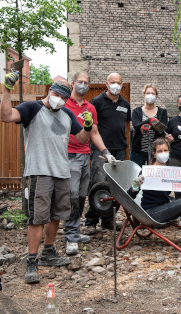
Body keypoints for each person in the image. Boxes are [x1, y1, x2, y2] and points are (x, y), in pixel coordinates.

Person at [0, 74, 92, 284]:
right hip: (39, 172)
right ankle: (32, 261)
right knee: (37, 218)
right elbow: (6, 116)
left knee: (55, 215)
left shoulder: (67, 114)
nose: (58, 98)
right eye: (56, 93)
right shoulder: (31, 109)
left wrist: (87, 127)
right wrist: (7, 90)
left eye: (63, 96)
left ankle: (49, 252)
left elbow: (80, 139)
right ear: (49, 91)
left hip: (62, 171)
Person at [127, 138, 181, 254]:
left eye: (165, 150)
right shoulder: (147, 172)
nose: (163, 153)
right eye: (160, 151)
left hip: (165, 207)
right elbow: (129, 198)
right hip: (150, 212)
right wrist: (135, 186)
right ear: (154, 154)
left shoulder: (169, 172)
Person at [63, 71, 116, 255]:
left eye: (86, 83)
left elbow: (94, 133)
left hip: (85, 154)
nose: (83, 85)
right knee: (71, 195)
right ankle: (70, 236)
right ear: (72, 83)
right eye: (80, 82)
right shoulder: (64, 104)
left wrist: (106, 152)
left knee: (81, 195)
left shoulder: (89, 108)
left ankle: (75, 232)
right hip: (68, 155)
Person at [85, 73, 132, 234]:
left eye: (119, 82)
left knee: (115, 187)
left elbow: (126, 125)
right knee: (97, 185)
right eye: (113, 82)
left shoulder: (125, 104)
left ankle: (108, 220)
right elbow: (91, 128)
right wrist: (102, 148)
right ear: (106, 84)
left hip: (119, 149)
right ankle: (91, 221)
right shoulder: (96, 102)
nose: (116, 85)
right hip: (100, 150)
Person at [131, 84, 168, 166]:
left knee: (155, 175)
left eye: (153, 93)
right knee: (137, 175)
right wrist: (150, 120)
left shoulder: (162, 112)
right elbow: (136, 127)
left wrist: (147, 125)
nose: (150, 95)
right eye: (148, 93)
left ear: (156, 96)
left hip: (156, 150)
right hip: (138, 150)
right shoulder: (136, 111)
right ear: (144, 95)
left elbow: (162, 129)